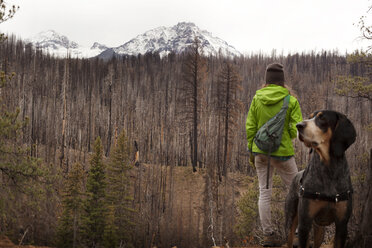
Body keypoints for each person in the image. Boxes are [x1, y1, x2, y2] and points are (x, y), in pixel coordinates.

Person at [245, 63, 303, 247]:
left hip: (261, 152)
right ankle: (297, 233)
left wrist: (252, 151)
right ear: (282, 81)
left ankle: (268, 235)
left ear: (267, 81)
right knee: (299, 191)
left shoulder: (257, 98)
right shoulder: (291, 100)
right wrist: (285, 136)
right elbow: (297, 129)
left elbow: (250, 127)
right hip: (283, 154)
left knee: (264, 192)